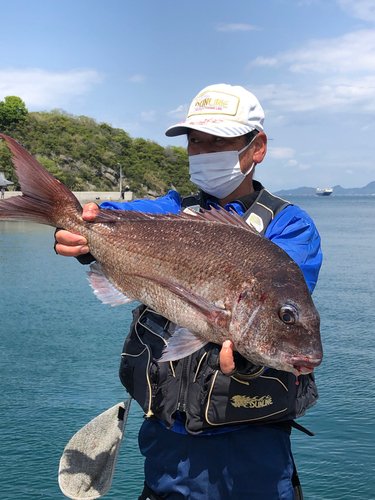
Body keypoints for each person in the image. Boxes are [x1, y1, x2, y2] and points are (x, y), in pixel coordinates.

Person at [55, 83, 322, 500]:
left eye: (220, 140)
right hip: (164, 452)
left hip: (251, 462)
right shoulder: (172, 211)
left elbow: (282, 308)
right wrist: (80, 234)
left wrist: (251, 362)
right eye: (196, 142)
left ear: (258, 147)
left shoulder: (289, 228)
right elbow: (113, 219)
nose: (204, 151)